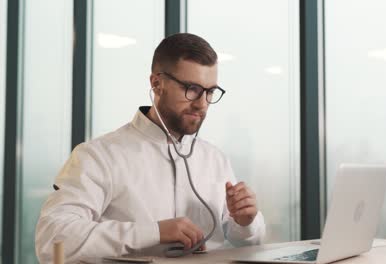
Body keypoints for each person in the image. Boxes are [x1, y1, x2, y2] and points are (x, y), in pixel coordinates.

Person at [35, 33, 266, 263]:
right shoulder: (98, 156)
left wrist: (245, 221)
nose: (202, 103)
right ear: (157, 83)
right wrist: (153, 233)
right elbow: (52, 238)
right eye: (192, 89)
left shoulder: (215, 159)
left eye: (210, 92)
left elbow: (247, 240)